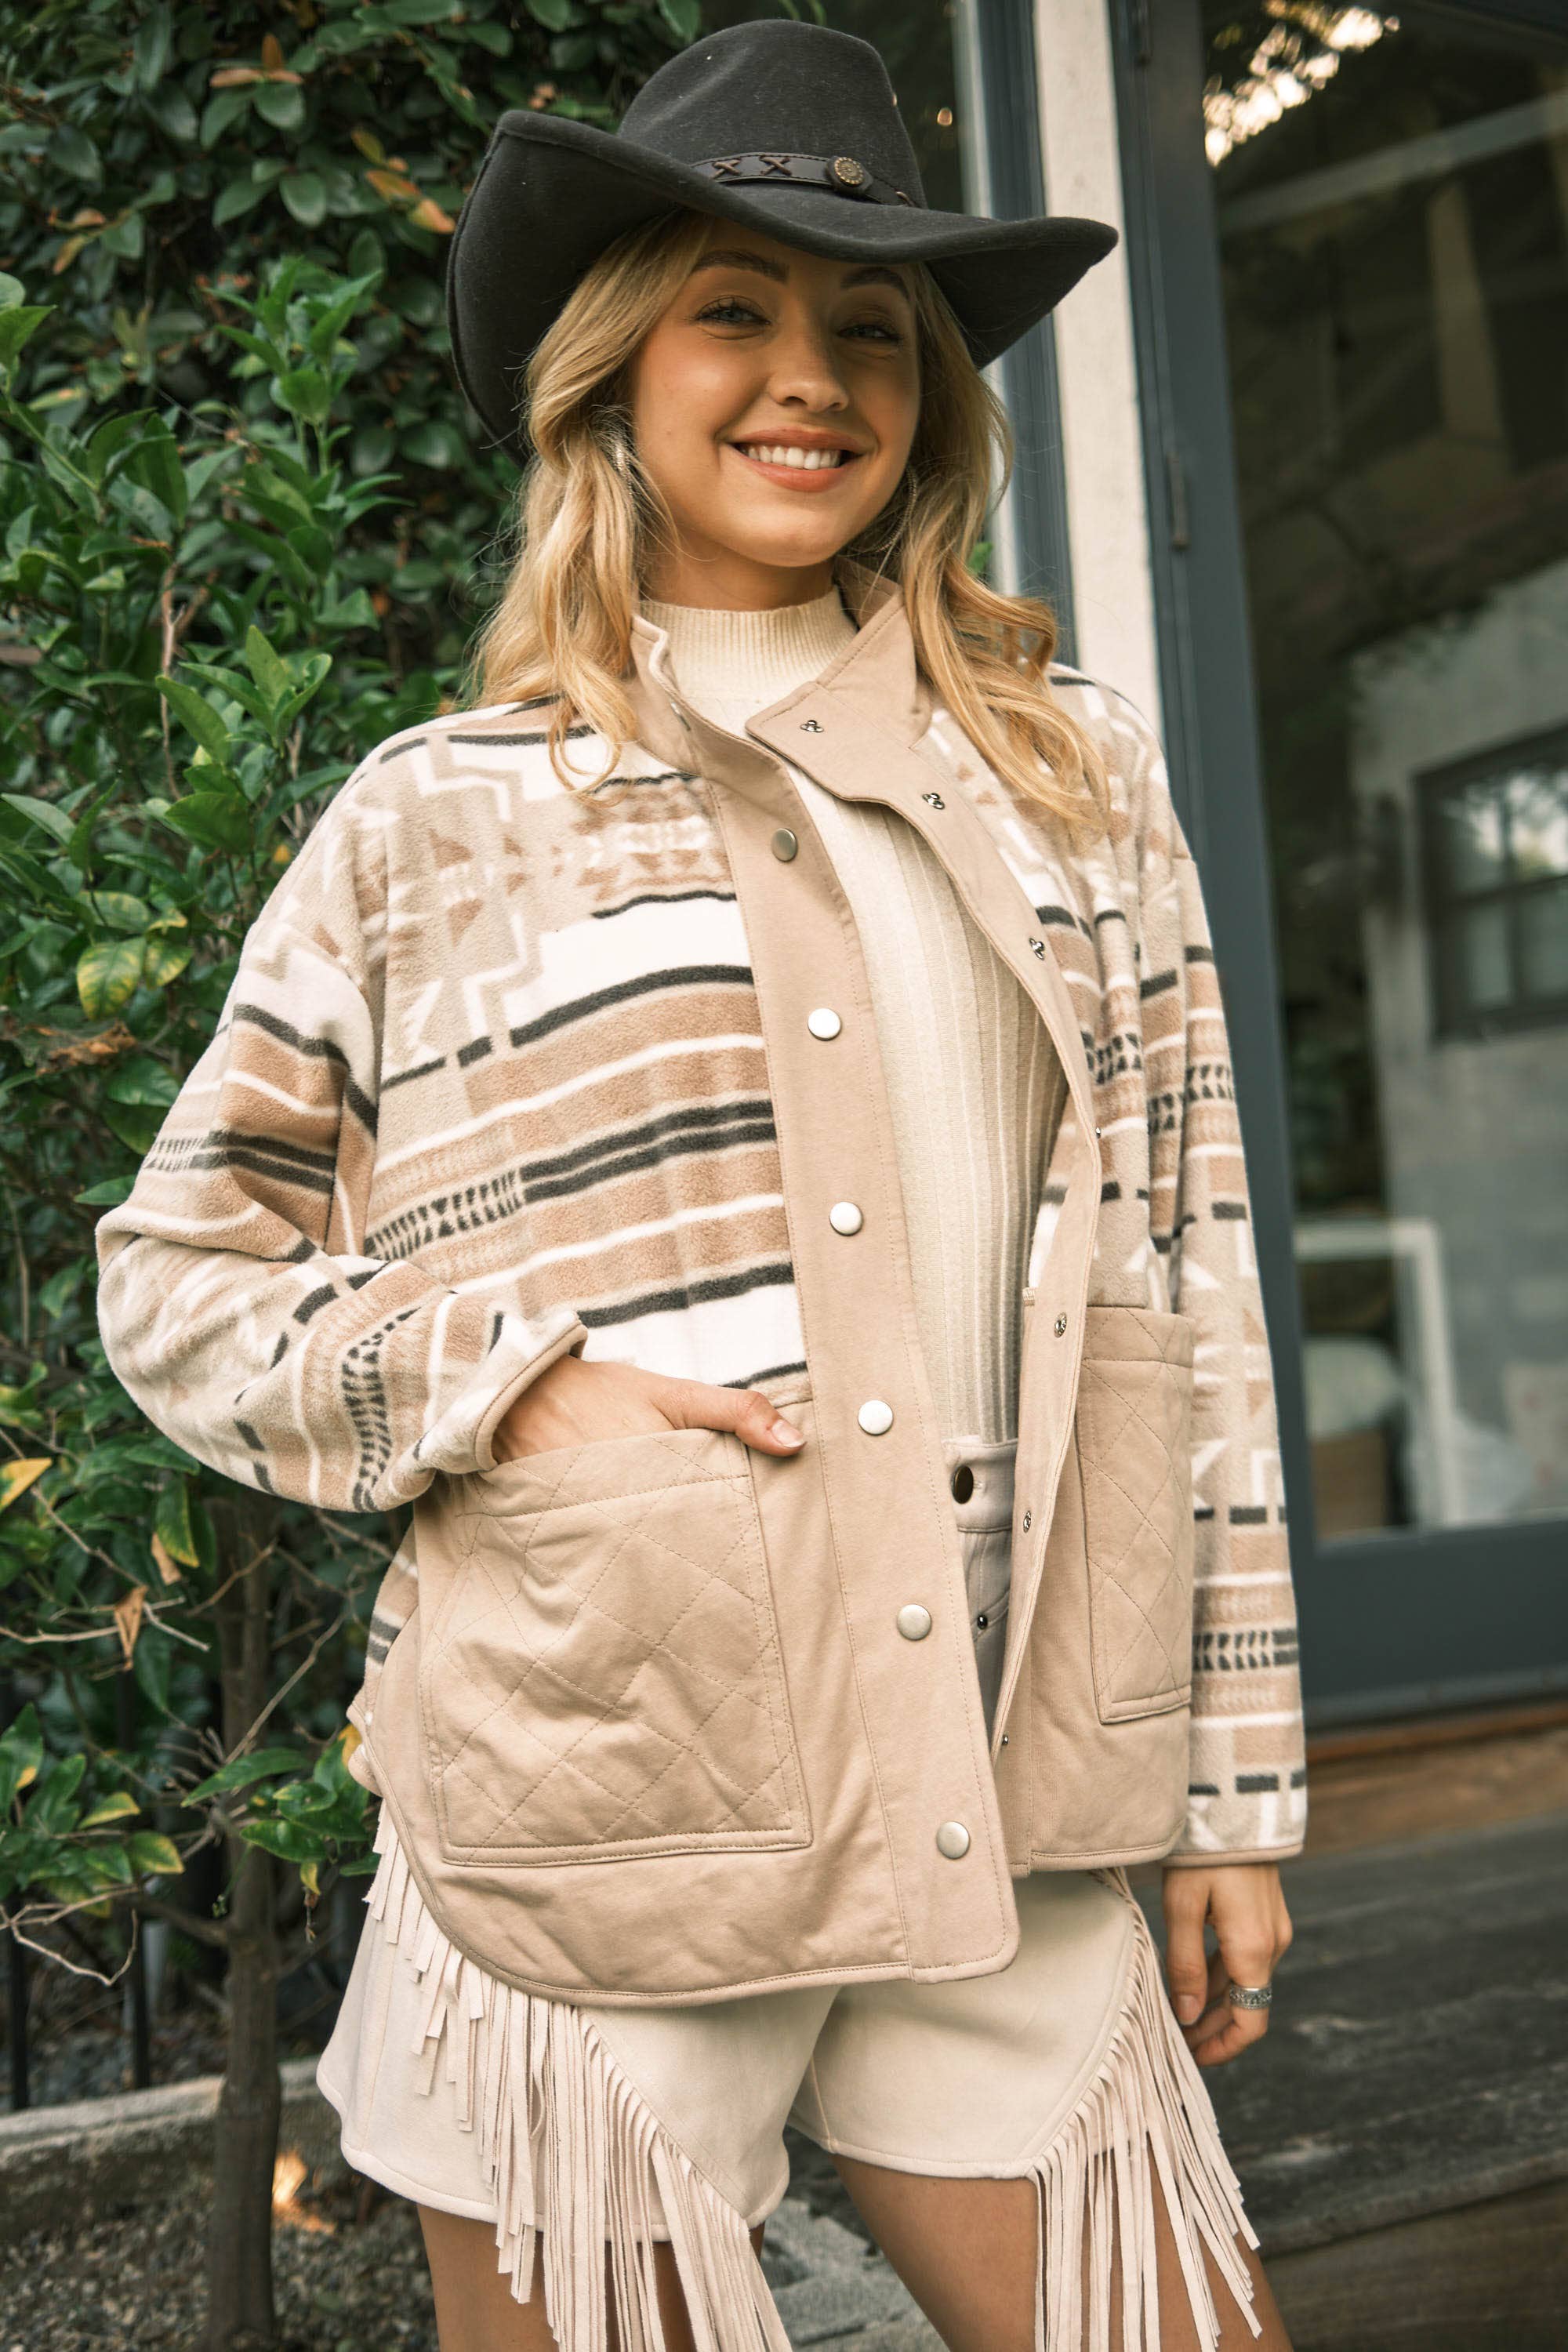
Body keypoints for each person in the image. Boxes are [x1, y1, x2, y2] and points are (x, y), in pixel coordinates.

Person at [95, 21, 1306, 2351]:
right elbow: (180, 1274)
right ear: (613, 375)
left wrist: (1232, 1789)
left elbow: (1195, 1276)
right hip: (607, 1800)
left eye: (873, 329)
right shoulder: (440, 815)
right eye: (732, 311)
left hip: (1009, 1775)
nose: (810, 376)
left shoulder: (1073, 782)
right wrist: (508, 1391)